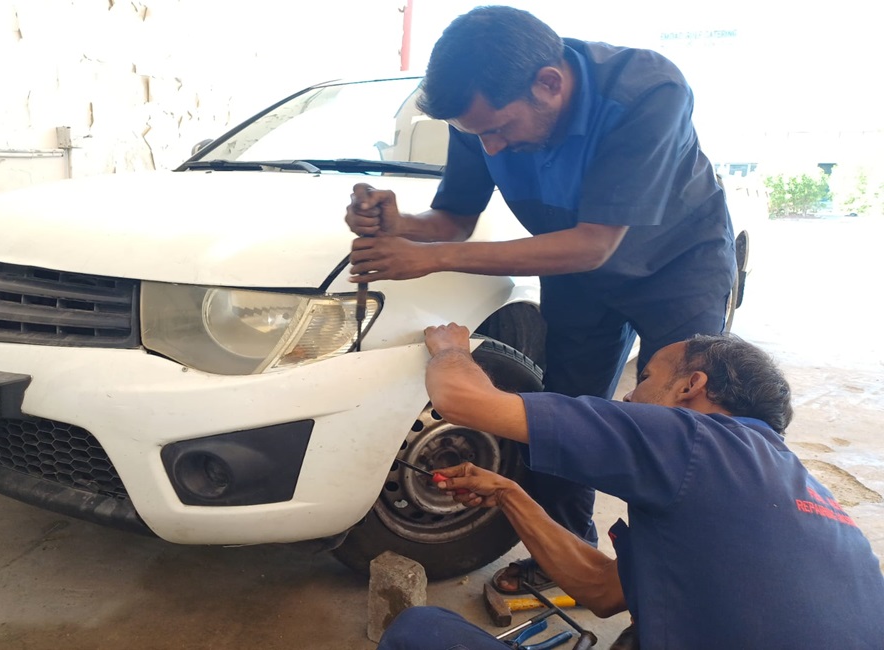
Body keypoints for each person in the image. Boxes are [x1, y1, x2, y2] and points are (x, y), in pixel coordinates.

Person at [345, 6, 738, 590]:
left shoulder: (647, 92)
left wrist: (432, 258)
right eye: (478, 136)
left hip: (677, 266)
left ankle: (673, 580)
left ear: (550, 84)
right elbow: (454, 218)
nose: (492, 147)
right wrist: (401, 224)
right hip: (575, 267)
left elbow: (594, 244)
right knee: (565, 409)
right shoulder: (480, 114)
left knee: (684, 419)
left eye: (500, 129)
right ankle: (567, 555)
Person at [377, 323, 884, 649]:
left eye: (645, 376)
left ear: (691, 386)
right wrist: (511, 495)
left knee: (420, 632)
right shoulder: (804, 497)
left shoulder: (696, 439)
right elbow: (602, 590)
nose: (629, 395)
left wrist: (451, 349)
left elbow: (463, 399)